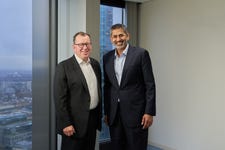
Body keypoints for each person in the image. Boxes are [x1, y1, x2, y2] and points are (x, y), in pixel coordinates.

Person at [103, 24, 156, 150]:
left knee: (136, 146)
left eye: (121, 35)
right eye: (114, 36)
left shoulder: (141, 54)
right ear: (111, 39)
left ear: (127, 36)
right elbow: (107, 87)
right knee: (117, 146)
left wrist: (149, 112)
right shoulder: (107, 58)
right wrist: (107, 112)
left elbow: (150, 84)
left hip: (136, 113)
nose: (118, 39)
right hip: (114, 114)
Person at [54, 32, 102, 150]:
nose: (85, 47)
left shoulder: (95, 64)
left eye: (87, 44)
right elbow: (60, 99)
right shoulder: (64, 67)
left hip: (92, 120)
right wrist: (66, 123)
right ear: (74, 47)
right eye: (81, 44)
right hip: (73, 124)